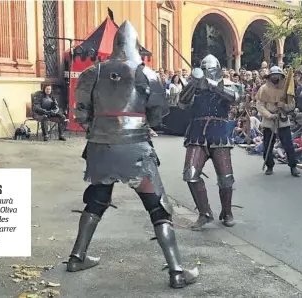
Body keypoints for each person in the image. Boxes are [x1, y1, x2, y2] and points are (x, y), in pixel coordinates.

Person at [67, 21, 198, 288]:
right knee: (158, 206)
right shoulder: (147, 74)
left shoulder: (93, 73)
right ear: (136, 46)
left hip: (101, 147)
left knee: (96, 199)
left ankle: (76, 257)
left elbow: (81, 111)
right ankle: (176, 272)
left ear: (115, 45)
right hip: (135, 149)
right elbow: (159, 113)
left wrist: (100, 129)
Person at [177, 54, 240, 230]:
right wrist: (193, 84)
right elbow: (181, 103)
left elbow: (236, 98)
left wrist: (213, 86)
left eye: (210, 69)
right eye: (204, 69)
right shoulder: (194, 86)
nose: (206, 72)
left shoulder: (226, 84)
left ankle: (227, 212)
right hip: (197, 133)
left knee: (226, 178)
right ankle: (204, 213)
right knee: (190, 173)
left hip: (219, 132)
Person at [255, 66, 301, 176]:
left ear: (281, 76)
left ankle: (293, 166)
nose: (276, 77)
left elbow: (292, 105)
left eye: (278, 75)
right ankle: (269, 166)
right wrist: (270, 115)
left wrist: (284, 106)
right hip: (269, 121)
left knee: (288, 145)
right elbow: (260, 105)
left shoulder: (286, 88)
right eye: (273, 75)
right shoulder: (264, 89)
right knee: (268, 145)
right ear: (270, 76)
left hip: (283, 119)